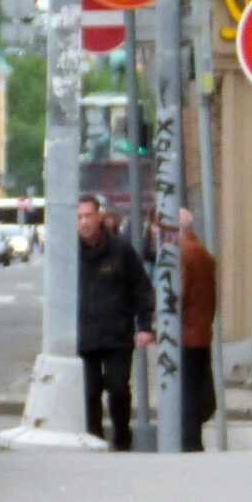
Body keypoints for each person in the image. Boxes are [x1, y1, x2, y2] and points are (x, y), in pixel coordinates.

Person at [74, 193, 154, 450]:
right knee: (90, 392)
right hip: (85, 335)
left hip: (117, 334)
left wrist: (144, 326)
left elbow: (141, 288)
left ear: (99, 217)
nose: (84, 222)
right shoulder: (70, 254)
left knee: (118, 388)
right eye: (79, 217)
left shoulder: (120, 250)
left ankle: (122, 438)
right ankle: (94, 438)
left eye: (88, 216)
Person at [177, 206, 218, 452]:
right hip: (201, 329)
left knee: (187, 388)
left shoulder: (181, 253)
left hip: (185, 332)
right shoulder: (202, 251)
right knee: (197, 383)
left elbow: (177, 295)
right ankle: (192, 437)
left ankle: (188, 439)